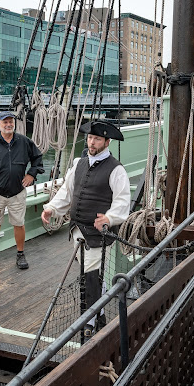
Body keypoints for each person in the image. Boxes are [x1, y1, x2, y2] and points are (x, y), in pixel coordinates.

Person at [41, 121, 131, 340]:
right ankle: (96, 314)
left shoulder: (116, 170)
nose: (92, 142)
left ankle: (89, 323)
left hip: (97, 236)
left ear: (107, 142)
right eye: (90, 138)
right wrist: (52, 208)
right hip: (77, 231)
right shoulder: (79, 164)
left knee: (92, 278)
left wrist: (109, 217)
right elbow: (66, 191)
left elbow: (122, 202)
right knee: (86, 277)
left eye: (97, 139)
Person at [0, 111, 44, 269]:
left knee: (19, 223)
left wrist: (31, 174)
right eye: (4, 122)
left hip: (17, 192)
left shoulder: (25, 142)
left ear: (14, 123)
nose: (8, 124)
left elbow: (37, 159)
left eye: (10, 121)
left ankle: (20, 254)